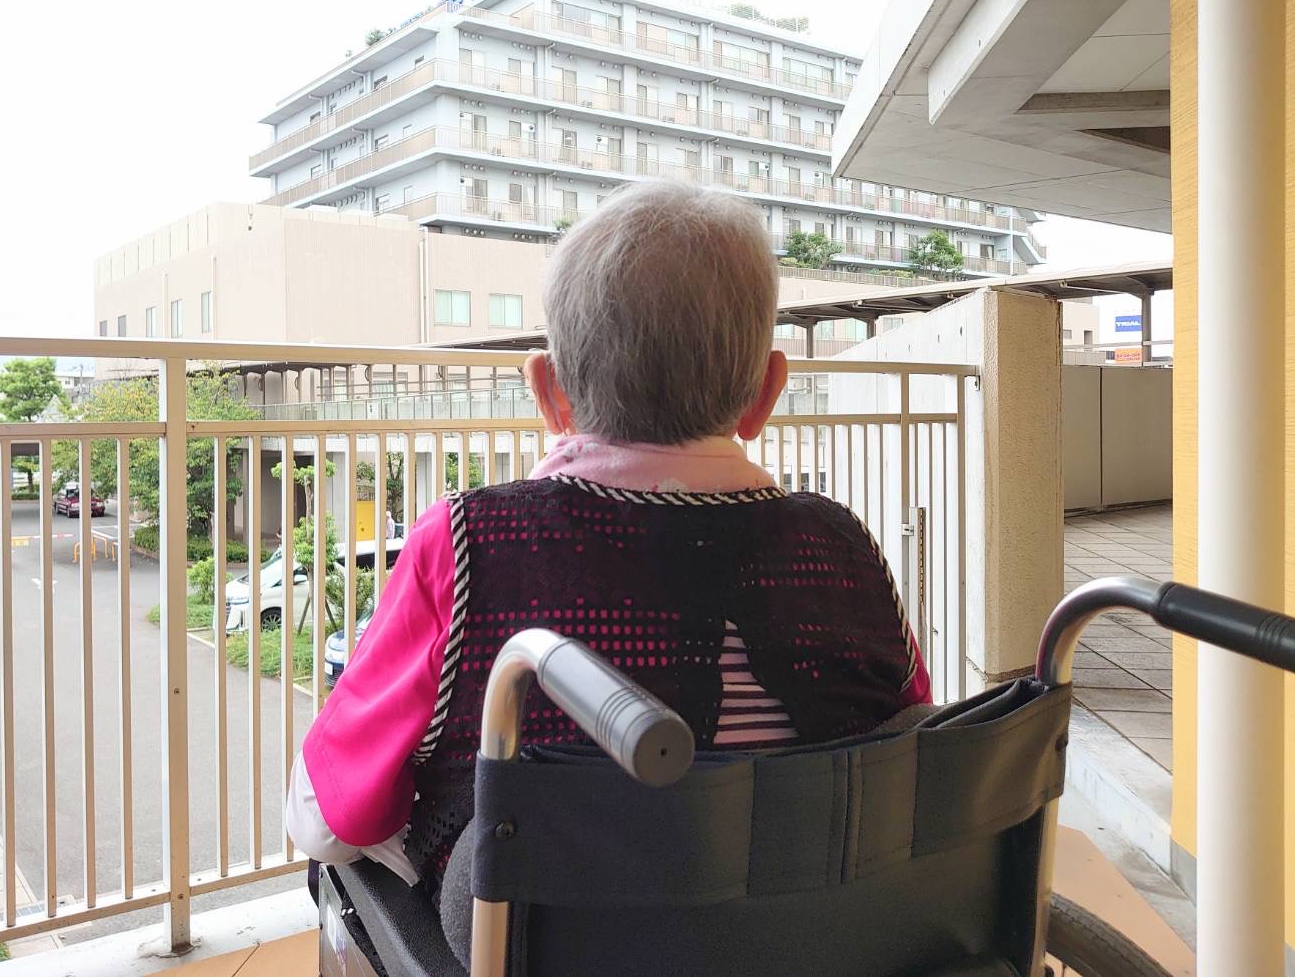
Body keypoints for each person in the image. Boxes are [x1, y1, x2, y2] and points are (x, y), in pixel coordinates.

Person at [286, 181, 931, 899]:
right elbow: (912, 740)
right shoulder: (843, 546)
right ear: (766, 393)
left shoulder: (467, 541)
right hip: (823, 934)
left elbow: (331, 819)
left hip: (548, 941)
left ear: (549, 392)